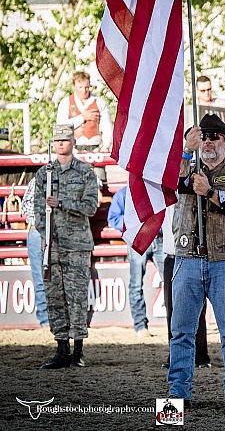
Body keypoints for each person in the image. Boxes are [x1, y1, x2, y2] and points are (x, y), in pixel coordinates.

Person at [168, 114, 225, 409]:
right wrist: (183, 150)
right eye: (203, 136)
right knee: (181, 331)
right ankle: (178, 391)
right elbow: (170, 185)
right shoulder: (183, 165)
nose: (207, 141)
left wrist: (212, 193)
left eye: (213, 136)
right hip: (187, 256)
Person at [34, 124, 98, 369]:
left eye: (65, 140)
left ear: (73, 142)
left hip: (77, 246)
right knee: (55, 298)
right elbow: (38, 209)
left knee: (77, 298)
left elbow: (90, 206)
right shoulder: (44, 174)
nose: (61, 144)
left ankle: (78, 350)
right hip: (53, 245)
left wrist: (62, 203)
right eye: (57, 140)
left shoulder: (84, 171)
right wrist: (44, 234)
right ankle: (61, 348)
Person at [107, 186, 165, 335]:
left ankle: (173, 325)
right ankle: (140, 326)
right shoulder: (124, 194)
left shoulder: (157, 191)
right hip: (138, 239)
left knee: (171, 283)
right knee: (136, 284)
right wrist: (133, 224)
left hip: (158, 238)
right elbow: (113, 218)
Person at [162, 204, 211, 369]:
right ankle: (175, 353)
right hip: (173, 254)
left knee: (197, 308)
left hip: (191, 254)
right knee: (172, 308)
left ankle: (200, 354)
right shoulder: (164, 187)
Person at [56, 70, 113, 152]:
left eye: (86, 87)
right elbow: (60, 128)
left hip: (95, 148)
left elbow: (107, 126)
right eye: (80, 87)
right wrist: (82, 117)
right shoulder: (65, 103)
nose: (83, 91)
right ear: (73, 86)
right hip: (74, 150)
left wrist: (106, 146)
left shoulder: (99, 102)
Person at [21, 177, 49, 329]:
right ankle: (46, 321)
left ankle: (48, 321)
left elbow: (26, 208)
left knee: (44, 280)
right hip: (40, 231)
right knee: (41, 280)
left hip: (41, 231)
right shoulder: (38, 180)